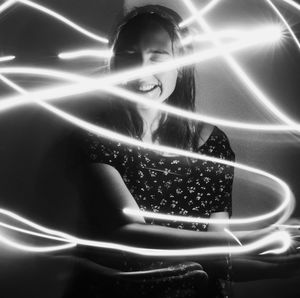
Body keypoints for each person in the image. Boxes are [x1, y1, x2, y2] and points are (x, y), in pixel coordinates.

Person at [59, 4, 300, 298]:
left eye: (157, 57)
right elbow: (128, 232)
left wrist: (278, 269)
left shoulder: (212, 145)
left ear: (181, 66)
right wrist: (255, 238)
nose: (141, 71)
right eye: (128, 56)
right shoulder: (96, 136)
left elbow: (217, 254)